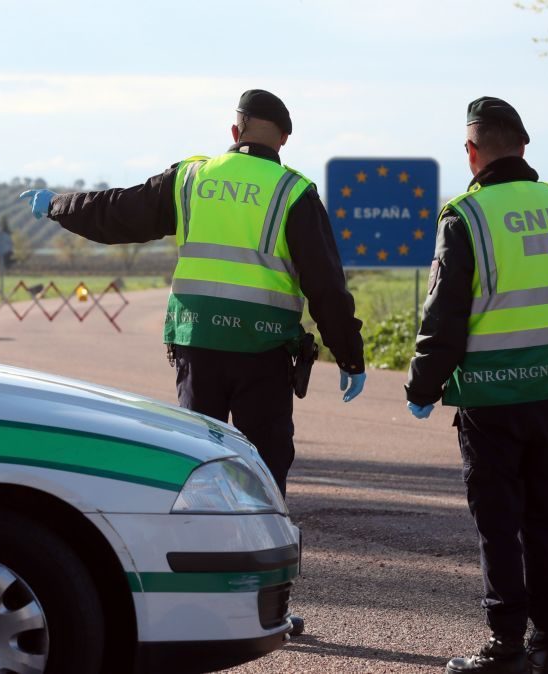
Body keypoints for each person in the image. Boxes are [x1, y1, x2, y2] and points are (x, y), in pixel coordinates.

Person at [20, 89, 367, 637]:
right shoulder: (294, 192)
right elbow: (326, 284)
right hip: (263, 352)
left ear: (234, 132)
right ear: (284, 138)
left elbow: (117, 212)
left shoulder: (192, 178)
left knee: (197, 473)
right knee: (265, 474)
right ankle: (266, 605)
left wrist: (59, 205)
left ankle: (197, 610)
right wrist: (350, 354)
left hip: (196, 346)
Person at [405, 97, 548, 674]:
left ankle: (505, 646)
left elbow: (442, 320)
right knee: (545, 516)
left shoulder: (466, 217)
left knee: (499, 522)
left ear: (472, 153)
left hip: (490, 398)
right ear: (523, 147)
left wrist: (422, 387)